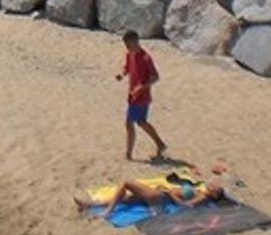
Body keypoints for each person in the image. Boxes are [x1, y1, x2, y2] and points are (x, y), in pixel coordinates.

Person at [116, 30, 167, 161]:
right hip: (132, 95)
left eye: (128, 44)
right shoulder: (130, 54)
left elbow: (156, 77)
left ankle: (128, 155)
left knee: (130, 123)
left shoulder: (146, 58)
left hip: (142, 97)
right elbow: (127, 68)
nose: (127, 47)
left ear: (135, 41)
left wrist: (141, 87)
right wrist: (121, 75)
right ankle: (160, 144)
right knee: (141, 122)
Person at [73, 178, 225, 218]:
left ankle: (108, 211)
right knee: (124, 198)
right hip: (159, 196)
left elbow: (188, 206)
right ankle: (89, 204)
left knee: (126, 183)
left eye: (218, 189)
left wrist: (171, 194)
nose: (215, 186)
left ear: (215, 195)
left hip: (160, 197)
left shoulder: (203, 197)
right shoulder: (201, 191)